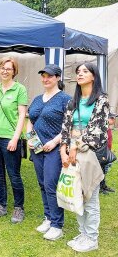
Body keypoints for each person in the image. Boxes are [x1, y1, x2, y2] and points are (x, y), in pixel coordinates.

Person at [60, 63, 109, 252]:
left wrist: (75, 145)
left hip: (90, 156)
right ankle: (83, 233)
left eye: (85, 71)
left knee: (90, 197)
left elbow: (98, 131)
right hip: (71, 155)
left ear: (93, 77)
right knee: (76, 194)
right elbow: (65, 128)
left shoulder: (101, 100)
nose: (80, 74)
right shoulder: (73, 101)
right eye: (78, 72)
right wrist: (63, 151)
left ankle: (92, 238)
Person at [26, 64, 71, 240]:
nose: (46, 79)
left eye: (50, 76)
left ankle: (57, 225)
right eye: (44, 76)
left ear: (58, 78)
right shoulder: (37, 99)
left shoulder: (65, 99)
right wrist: (30, 137)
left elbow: (69, 125)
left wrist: (54, 142)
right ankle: (48, 217)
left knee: (51, 184)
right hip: (37, 147)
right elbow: (30, 119)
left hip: (55, 147)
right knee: (42, 183)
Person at [0, 57, 27, 223]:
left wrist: (15, 138)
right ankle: (1, 205)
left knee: (14, 174)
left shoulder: (19, 89)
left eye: (9, 68)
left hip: (9, 138)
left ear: (14, 71)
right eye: (2, 68)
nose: (5, 71)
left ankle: (18, 208)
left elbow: (22, 115)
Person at [100, 112, 116, 194]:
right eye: (112, 118)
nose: (114, 120)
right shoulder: (102, 127)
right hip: (102, 152)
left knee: (104, 170)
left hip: (107, 152)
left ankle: (103, 186)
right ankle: (100, 188)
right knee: (101, 170)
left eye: (114, 118)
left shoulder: (108, 128)